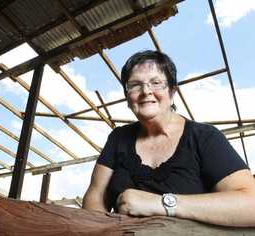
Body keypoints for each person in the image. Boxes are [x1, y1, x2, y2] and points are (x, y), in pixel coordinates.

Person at [82, 50, 255, 227]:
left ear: (173, 92)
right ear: (127, 98)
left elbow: (251, 204)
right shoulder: (118, 138)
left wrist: (162, 203)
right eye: (134, 85)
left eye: (156, 83)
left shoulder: (204, 137)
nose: (146, 91)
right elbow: (95, 197)